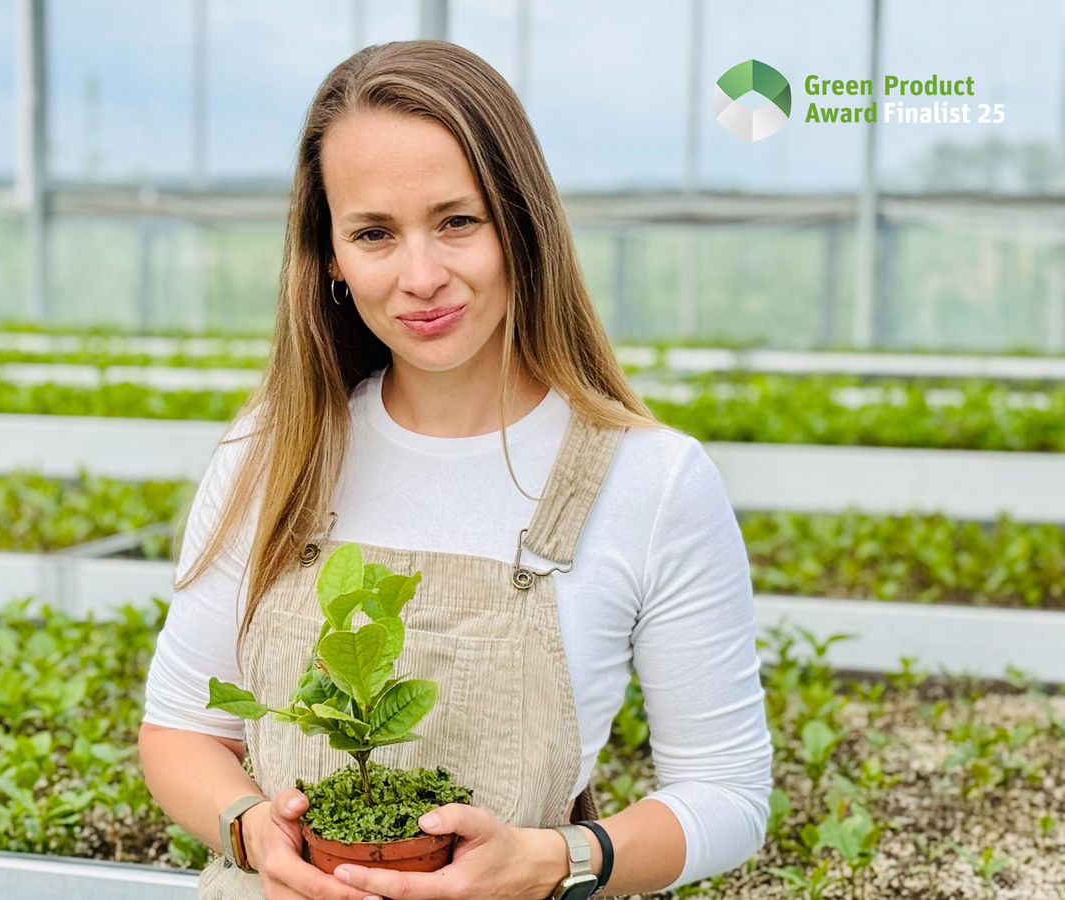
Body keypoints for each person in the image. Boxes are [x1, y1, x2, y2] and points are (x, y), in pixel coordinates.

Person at [138, 40, 772, 900]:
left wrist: (555, 862)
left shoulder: (652, 481)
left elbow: (727, 793)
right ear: (329, 257)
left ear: (522, 221)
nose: (421, 278)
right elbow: (181, 730)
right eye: (373, 234)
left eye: (457, 221)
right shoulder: (272, 452)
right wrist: (254, 832)